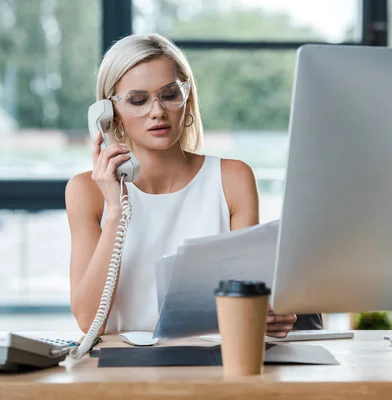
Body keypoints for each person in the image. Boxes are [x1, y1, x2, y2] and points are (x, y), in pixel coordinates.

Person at [65, 33, 322, 337]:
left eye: (170, 94)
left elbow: (247, 299)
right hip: (121, 369)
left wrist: (265, 315)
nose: (157, 111)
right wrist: (115, 211)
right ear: (110, 114)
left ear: (187, 101)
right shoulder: (86, 191)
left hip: (211, 364)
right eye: (138, 100)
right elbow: (87, 319)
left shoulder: (232, 178)